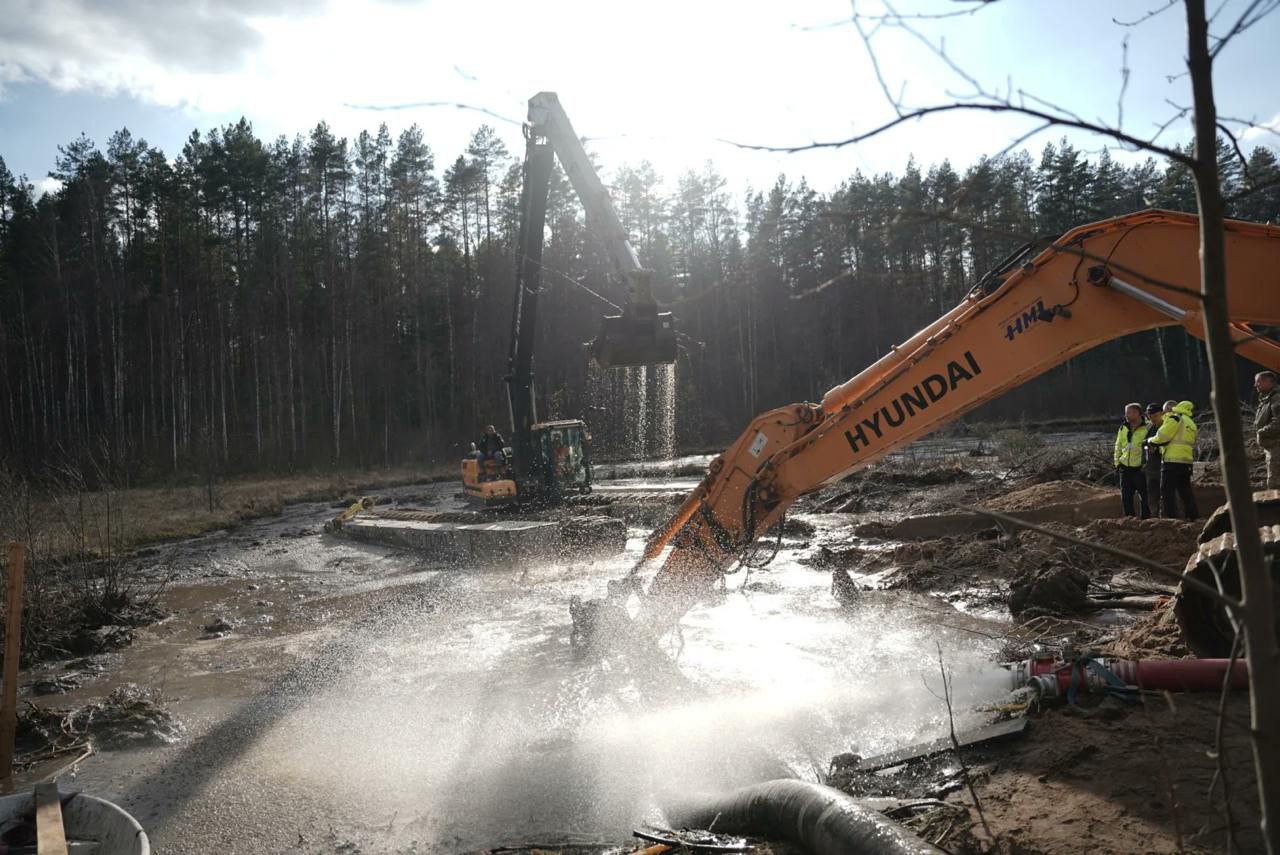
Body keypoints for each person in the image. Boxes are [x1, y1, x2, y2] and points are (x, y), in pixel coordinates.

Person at [1148, 400, 1199, 520]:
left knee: (1167, 492)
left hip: (1172, 461)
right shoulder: (1190, 422)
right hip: (1186, 461)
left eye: (1165, 412)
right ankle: (1193, 516)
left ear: (1170, 410)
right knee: (1185, 491)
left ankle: (1172, 519)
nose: (1164, 415)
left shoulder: (1174, 418)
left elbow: (1163, 436)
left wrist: (1150, 441)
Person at [1114, 402, 1151, 518]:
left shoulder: (1149, 427)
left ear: (1137, 413)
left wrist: (1147, 465)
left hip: (1140, 469)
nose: (1126, 415)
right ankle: (1130, 520)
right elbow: (1118, 446)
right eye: (1126, 413)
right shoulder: (1123, 428)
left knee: (1144, 497)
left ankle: (1146, 520)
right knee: (1125, 497)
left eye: (1129, 413)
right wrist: (1117, 463)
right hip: (1125, 468)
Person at [1256, 370, 1280, 489]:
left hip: (1277, 448)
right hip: (1272, 447)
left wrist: (1261, 432)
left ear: (1268, 382)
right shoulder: (1267, 399)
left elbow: (1278, 423)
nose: (1256, 385)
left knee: (1275, 484)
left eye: (1258, 382)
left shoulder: (1277, 398)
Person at [1143, 403, 1164, 516]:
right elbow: (1144, 443)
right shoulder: (1150, 427)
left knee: (1164, 495)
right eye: (1150, 416)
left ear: (1161, 413)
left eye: (1155, 415)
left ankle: (1165, 518)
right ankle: (1154, 518)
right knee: (1151, 496)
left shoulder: (1166, 426)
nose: (1152, 419)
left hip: (1163, 467)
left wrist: (1156, 448)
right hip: (1151, 468)